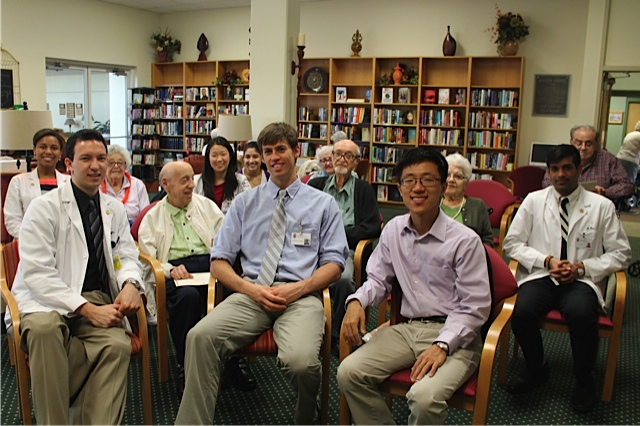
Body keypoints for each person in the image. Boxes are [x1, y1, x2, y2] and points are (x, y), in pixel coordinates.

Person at [175, 122, 348, 425]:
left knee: (302, 364)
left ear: (296, 151)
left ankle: (306, 417)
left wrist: (298, 289)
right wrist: (250, 290)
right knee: (199, 337)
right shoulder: (244, 203)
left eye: (281, 149)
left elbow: (335, 264)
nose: (274, 157)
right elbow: (219, 262)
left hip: (301, 294)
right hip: (252, 293)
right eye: (268, 151)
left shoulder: (323, 204)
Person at [337, 146, 491, 425]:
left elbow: (474, 307)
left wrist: (443, 344)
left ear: (444, 186)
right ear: (399, 186)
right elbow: (377, 279)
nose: (417, 188)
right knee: (349, 372)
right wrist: (357, 301)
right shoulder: (394, 230)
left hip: (457, 336)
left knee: (424, 397)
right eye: (409, 180)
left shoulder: (465, 240)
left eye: (428, 180)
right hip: (408, 329)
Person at [6, 129, 144, 424]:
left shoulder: (113, 208)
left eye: (101, 159)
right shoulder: (43, 209)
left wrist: (131, 283)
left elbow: (126, 256)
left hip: (96, 296)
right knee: (44, 331)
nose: (96, 166)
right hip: (46, 299)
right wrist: (86, 310)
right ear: (68, 164)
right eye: (86, 158)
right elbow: (37, 274)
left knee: (117, 345)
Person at [503, 144, 631, 412]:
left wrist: (581, 268)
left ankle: (584, 381)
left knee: (582, 315)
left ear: (579, 169)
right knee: (521, 312)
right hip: (542, 274)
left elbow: (621, 254)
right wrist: (546, 261)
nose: (561, 174)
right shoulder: (533, 201)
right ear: (548, 172)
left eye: (567, 168)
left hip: (581, 279)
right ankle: (537, 368)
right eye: (555, 169)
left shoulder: (601, 206)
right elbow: (511, 244)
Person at [138, 162, 254, 393]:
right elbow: (146, 259)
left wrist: (223, 253)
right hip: (176, 272)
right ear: (165, 184)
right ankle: (187, 363)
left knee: (238, 293)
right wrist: (169, 269)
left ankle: (234, 359)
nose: (191, 185)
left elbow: (228, 237)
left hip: (212, 264)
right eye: (184, 181)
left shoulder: (207, 207)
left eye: (192, 179)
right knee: (187, 299)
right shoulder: (152, 218)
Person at [308, 139, 382, 351]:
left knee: (342, 281)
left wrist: (339, 236)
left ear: (356, 162)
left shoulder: (363, 189)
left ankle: (334, 336)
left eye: (348, 156)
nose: (341, 159)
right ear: (330, 157)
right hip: (312, 248)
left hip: (343, 249)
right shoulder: (315, 186)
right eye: (337, 154)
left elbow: (372, 226)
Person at [3, 128, 70, 239]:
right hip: (27, 244)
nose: (48, 151)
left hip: (62, 243)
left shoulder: (69, 182)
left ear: (60, 154)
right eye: (43, 147)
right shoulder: (18, 182)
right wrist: (32, 239)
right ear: (34, 150)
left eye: (54, 148)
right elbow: (12, 220)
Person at [542, 125, 633, 202]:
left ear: (596, 144)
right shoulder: (560, 156)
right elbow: (546, 183)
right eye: (578, 143)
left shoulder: (609, 160)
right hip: (564, 204)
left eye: (588, 144)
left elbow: (626, 186)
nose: (583, 148)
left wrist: (605, 192)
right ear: (571, 142)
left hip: (598, 206)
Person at [442, 153, 493, 246]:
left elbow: (488, 240)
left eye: (458, 176)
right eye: (447, 175)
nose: (451, 180)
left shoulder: (478, 205)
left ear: (466, 183)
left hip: (468, 257)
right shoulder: (432, 204)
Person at [195, 136, 251, 214]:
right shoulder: (196, 182)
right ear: (208, 158)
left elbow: (249, 208)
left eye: (223, 154)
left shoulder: (241, 181)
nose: (219, 159)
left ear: (230, 156)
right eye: (214, 155)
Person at [102, 144, 149, 224]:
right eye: (111, 163)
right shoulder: (97, 186)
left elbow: (146, 216)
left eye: (120, 163)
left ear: (126, 166)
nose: (116, 166)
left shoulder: (137, 185)